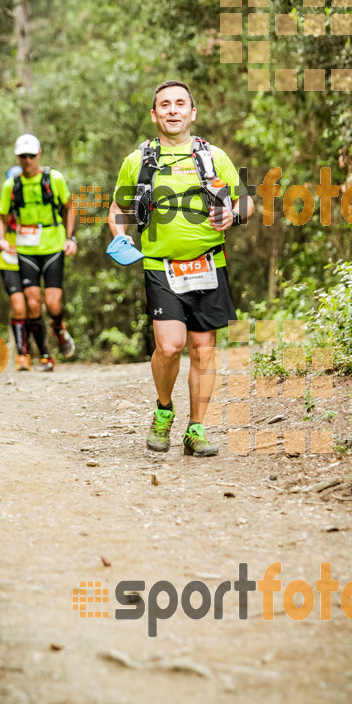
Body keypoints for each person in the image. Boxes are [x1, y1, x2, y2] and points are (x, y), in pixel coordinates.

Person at [109, 80, 255, 457]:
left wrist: (232, 215)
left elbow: (245, 203)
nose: (172, 110)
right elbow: (118, 209)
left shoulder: (212, 157)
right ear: (154, 114)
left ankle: (196, 429)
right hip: (161, 266)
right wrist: (121, 235)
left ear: (192, 113)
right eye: (164, 105)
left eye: (180, 104)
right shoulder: (139, 160)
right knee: (170, 347)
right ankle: (163, 409)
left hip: (209, 263)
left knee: (203, 350)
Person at [0, 134, 76, 371]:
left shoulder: (54, 178)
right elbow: (1, 217)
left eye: (31, 155)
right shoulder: (11, 185)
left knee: (53, 304)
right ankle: (45, 354)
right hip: (26, 249)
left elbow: (69, 207)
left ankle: (59, 328)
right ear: (17, 157)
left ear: (39, 153)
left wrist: (71, 238)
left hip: (53, 246)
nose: (27, 160)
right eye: (23, 156)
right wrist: (1, 239)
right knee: (32, 304)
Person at [0, 166, 32, 371]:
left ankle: (36, 351)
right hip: (8, 261)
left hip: (30, 258)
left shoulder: (31, 203)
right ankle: (22, 354)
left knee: (32, 305)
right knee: (18, 305)